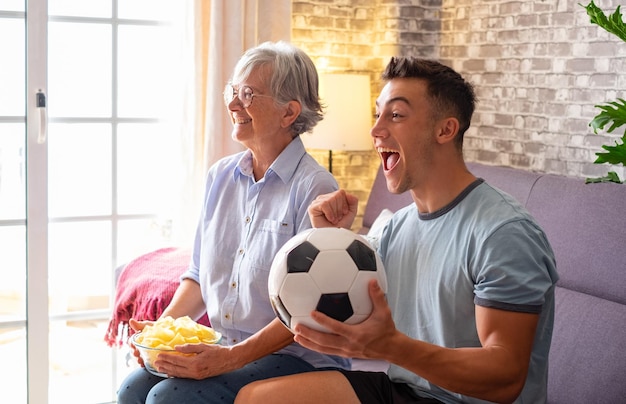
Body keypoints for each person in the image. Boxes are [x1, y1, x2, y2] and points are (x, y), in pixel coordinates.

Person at [234, 57, 559, 404]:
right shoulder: (397, 228)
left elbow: (505, 377)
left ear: (445, 130)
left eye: (397, 115)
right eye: (377, 115)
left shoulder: (502, 233)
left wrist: (392, 346)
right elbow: (345, 306)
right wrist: (329, 237)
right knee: (258, 398)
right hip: (407, 391)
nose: (375, 131)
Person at [117, 41, 350, 404]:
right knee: (133, 388)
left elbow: (309, 308)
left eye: (248, 93)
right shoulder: (220, 176)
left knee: (169, 398)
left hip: (296, 358)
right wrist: (160, 334)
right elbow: (196, 275)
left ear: (289, 113)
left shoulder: (315, 186)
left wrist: (229, 359)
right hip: (228, 346)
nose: (232, 103)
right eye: (233, 91)